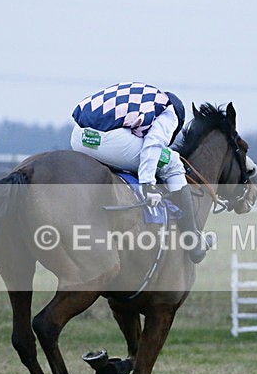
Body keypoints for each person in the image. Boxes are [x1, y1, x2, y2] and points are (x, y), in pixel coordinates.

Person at [70, 82, 207, 263]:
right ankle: (193, 240)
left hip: (78, 137)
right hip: (106, 141)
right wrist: (148, 184)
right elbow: (153, 145)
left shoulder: (146, 99)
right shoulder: (170, 113)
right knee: (173, 163)